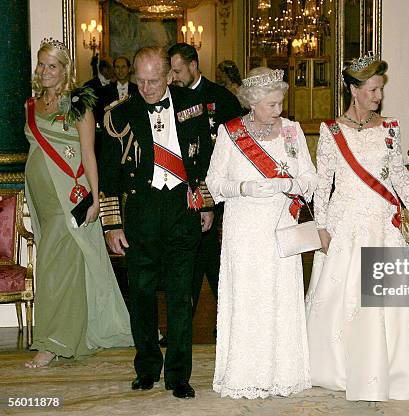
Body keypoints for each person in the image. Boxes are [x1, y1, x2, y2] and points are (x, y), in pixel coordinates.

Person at [305, 54, 409, 401]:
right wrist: (321, 226)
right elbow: (324, 184)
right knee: (345, 296)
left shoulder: (389, 128)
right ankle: (341, 366)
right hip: (347, 221)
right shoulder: (331, 131)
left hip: (385, 220)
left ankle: (400, 367)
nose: (378, 96)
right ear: (353, 90)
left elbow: (399, 173)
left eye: (380, 90)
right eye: (371, 90)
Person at [98, 46, 213, 399]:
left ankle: (179, 375)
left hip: (182, 210)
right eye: (140, 80)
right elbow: (109, 174)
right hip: (141, 213)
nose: (146, 88)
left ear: (169, 76)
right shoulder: (118, 115)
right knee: (142, 296)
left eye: (153, 81)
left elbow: (204, 157)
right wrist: (112, 224)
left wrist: (205, 202)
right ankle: (147, 367)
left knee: (181, 297)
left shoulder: (191, 107)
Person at [206, 67, 316, 399]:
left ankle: (283, 374)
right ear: (252, 103)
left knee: (279, 299)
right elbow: (214, 183)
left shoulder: (293, 132)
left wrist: (287, 184)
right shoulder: (231, 133)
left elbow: (310, 181)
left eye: (280, 103)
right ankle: (243, 374)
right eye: (271, 105)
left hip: (280, 228)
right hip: (244, 231)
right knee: (248, 299)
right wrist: (244, 187)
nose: (278, 111)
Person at [23, 38, 132, 368]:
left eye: (52, 66)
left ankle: (54, 342)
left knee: (62, 267)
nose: (44, 71)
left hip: (69, 196)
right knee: (51, 264)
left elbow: (89, 155)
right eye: (41, 64)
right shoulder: (32, 104)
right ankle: (67, 333)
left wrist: (96, 199)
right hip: (42, 197)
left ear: (65, 70)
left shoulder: (78, 104)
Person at [168, 43, 243, 321]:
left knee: (215, 261)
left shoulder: (221, 98)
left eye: (177, 71)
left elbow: (238, 147)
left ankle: (226, 322)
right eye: (170, 72)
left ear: (193, 66)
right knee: (185, 261)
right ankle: (182, 325)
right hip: (182, 190)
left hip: (217, 193)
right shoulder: (170, 99)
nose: (174, 77)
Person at [95, 56, 138, 124]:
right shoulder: (104, 91)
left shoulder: (138, 90)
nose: (120, 70)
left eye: (123, 67)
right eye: (117, 67)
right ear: (114, 70)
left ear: (129, 69)